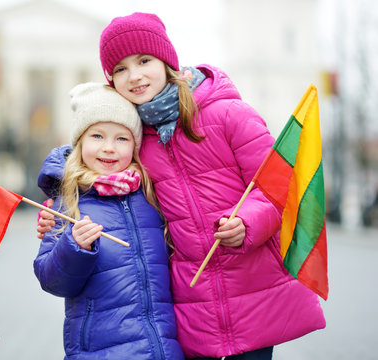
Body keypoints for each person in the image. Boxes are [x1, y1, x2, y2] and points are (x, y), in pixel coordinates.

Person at [38, 12, 326, 360]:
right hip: (192, 303)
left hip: (253, 291)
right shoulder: (136, 138)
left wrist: (248, 222)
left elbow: (278, 188)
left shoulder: (229, 114)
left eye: (144, 60)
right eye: (120, 69)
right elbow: (97, 167)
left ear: (166, 61)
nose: (135, 75)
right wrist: (57, 205)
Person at [34, 82, 185, 360]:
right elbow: (51, 279)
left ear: (135, 146)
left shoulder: (151, 194)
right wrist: (73, 248)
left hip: (162, 348)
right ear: (80, 142)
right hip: (101, 351)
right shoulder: (68, 203)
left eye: (121, 139)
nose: (109, 148)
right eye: (97, 136)